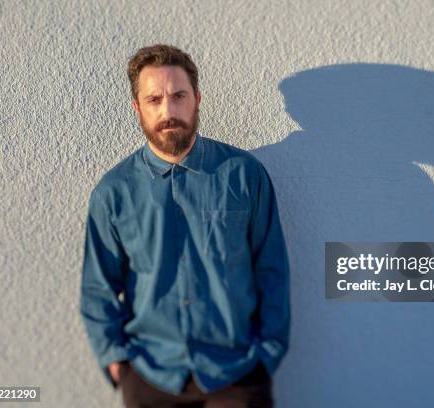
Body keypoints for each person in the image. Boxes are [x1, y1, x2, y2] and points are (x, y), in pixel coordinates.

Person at [79, 44, 290, 408]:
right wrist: (118, 363)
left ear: (197, 99)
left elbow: (272, 270)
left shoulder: (243, 175)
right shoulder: (114, 193)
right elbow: (98, 287)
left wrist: (267, 355)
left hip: (236, 374)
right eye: (154, 99)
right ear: (137, 108)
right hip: (151, 376)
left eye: (178, 96)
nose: (168, 110)